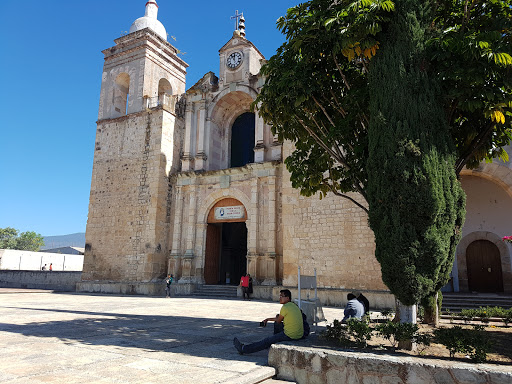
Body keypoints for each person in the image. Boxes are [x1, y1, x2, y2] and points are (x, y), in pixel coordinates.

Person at [233, 289, 305, 354]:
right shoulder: (294, 305)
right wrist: (268, 319)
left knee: (266, 341)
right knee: (277, 323)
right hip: (299, 334)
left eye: (281, 296)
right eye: (279, 296)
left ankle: (243, 349)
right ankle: (274, 339)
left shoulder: (285, 307)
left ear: (287, 298)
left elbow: (278, 321)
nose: (280, 298)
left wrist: (272, 319)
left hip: (291, 335)